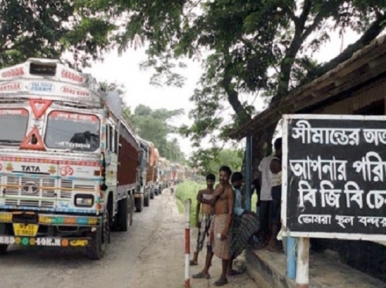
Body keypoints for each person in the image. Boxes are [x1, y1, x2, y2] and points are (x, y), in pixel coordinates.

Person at [193, 166, 234, 286]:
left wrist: (226, 228)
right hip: (215, 219)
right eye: (220, 175)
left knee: (224, 248)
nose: (222, 178)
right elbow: (212, 201)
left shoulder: (229, 191)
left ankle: (223, 276)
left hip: (224, 219)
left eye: (224, 176)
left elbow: (230, 212)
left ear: (228, 177)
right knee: (210, 245)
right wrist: (202, 199)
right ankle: (205, 270)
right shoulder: (218, 188)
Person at [228, 172, 260, 276]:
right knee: (235, 242)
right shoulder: (232, 192)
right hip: (235, 218)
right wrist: (246, 212)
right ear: (236, 181)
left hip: (237, 216)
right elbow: (234, 208)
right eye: (240, 181)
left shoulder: (237, 191)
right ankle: (228, 268)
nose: (241, 183)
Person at [190, 173, 216, 266]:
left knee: (211, 240)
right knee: (200, 238)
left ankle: (208, 261)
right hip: (204, 216)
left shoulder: (215, 192)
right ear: (206, 181)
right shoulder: (202, 192)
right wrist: (197, 218)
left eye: (211, 181)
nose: (210, 183)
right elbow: (198, 206)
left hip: (213, 217)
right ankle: (195, 258)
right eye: (209, 181)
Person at [255, 147, 274, 249]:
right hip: (273, 194)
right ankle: (270, 240)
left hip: (264, 193)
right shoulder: (277, 160)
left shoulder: (264, 160)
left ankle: (263, 239)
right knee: (272, 219)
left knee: (263, 219)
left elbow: (260, 176)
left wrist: (260, 190)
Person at [267, 137, 282, 252]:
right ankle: (273, 241)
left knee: (277, 216)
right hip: (278, 189)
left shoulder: (277, 160)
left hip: (278, 189)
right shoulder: (276, 161)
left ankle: (274, 240)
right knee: (276, 216)